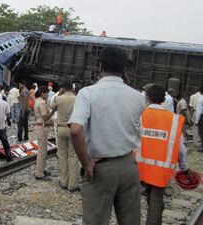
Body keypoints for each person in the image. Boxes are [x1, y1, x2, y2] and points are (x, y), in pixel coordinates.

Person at [69, 46, 146, 225]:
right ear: (124, 69)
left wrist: (86, 164)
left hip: (100, 168)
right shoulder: (138, 97)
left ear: (100, 66)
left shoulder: (87, 93)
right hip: (129, 166)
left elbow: (75, 129)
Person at [137, 84, 190, 225]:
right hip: (160, 171)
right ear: (163, 100)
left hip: (138, 167)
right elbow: (181, 149)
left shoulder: (139, 115)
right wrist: (185, 168)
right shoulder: (173, 120)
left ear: (147, 97)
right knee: (156, 202)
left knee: (132, 201)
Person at [48, 80, 80, 191]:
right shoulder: (78, 99)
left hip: (61, 129)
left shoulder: (59, 99)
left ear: (63, 88)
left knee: (62, 155)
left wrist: (60, 93)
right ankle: (72, 184)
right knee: (73, 156)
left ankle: (63, 181)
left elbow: (51, 105)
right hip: (73, 130)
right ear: (73, 88)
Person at [34, 86, 52, 180]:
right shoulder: (41, 102)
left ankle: (41, 169)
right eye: (47, 93)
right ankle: (39, 173)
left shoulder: (37, 100)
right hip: (42, 127)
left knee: (42, 150)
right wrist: (54, 110)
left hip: (39, 126)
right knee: (42, 151)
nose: (48, 95)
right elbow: (45, 117)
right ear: (43, 93)